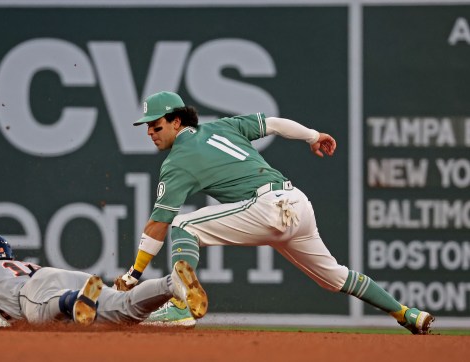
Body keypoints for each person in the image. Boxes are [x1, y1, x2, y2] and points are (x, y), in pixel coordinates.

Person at [113, 91, 434, 334]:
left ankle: (182, 304)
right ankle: (407, 314)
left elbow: (159, 222)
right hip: (296, 203)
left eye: (155, 125)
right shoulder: (222, 127)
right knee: (335, 276)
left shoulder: (176, 162)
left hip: (267, 207)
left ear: (176, 121)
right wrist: (313, 136)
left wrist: (133, 274)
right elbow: (273, 124)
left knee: (183, 224)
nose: (150, 132)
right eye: (147, 128)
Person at [0, 234, 207, 327]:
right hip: (61, 275)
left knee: (41, 313)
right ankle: (171, 284)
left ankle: (74, 301)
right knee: (126, 311)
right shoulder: (20, 264)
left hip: (38, 291)